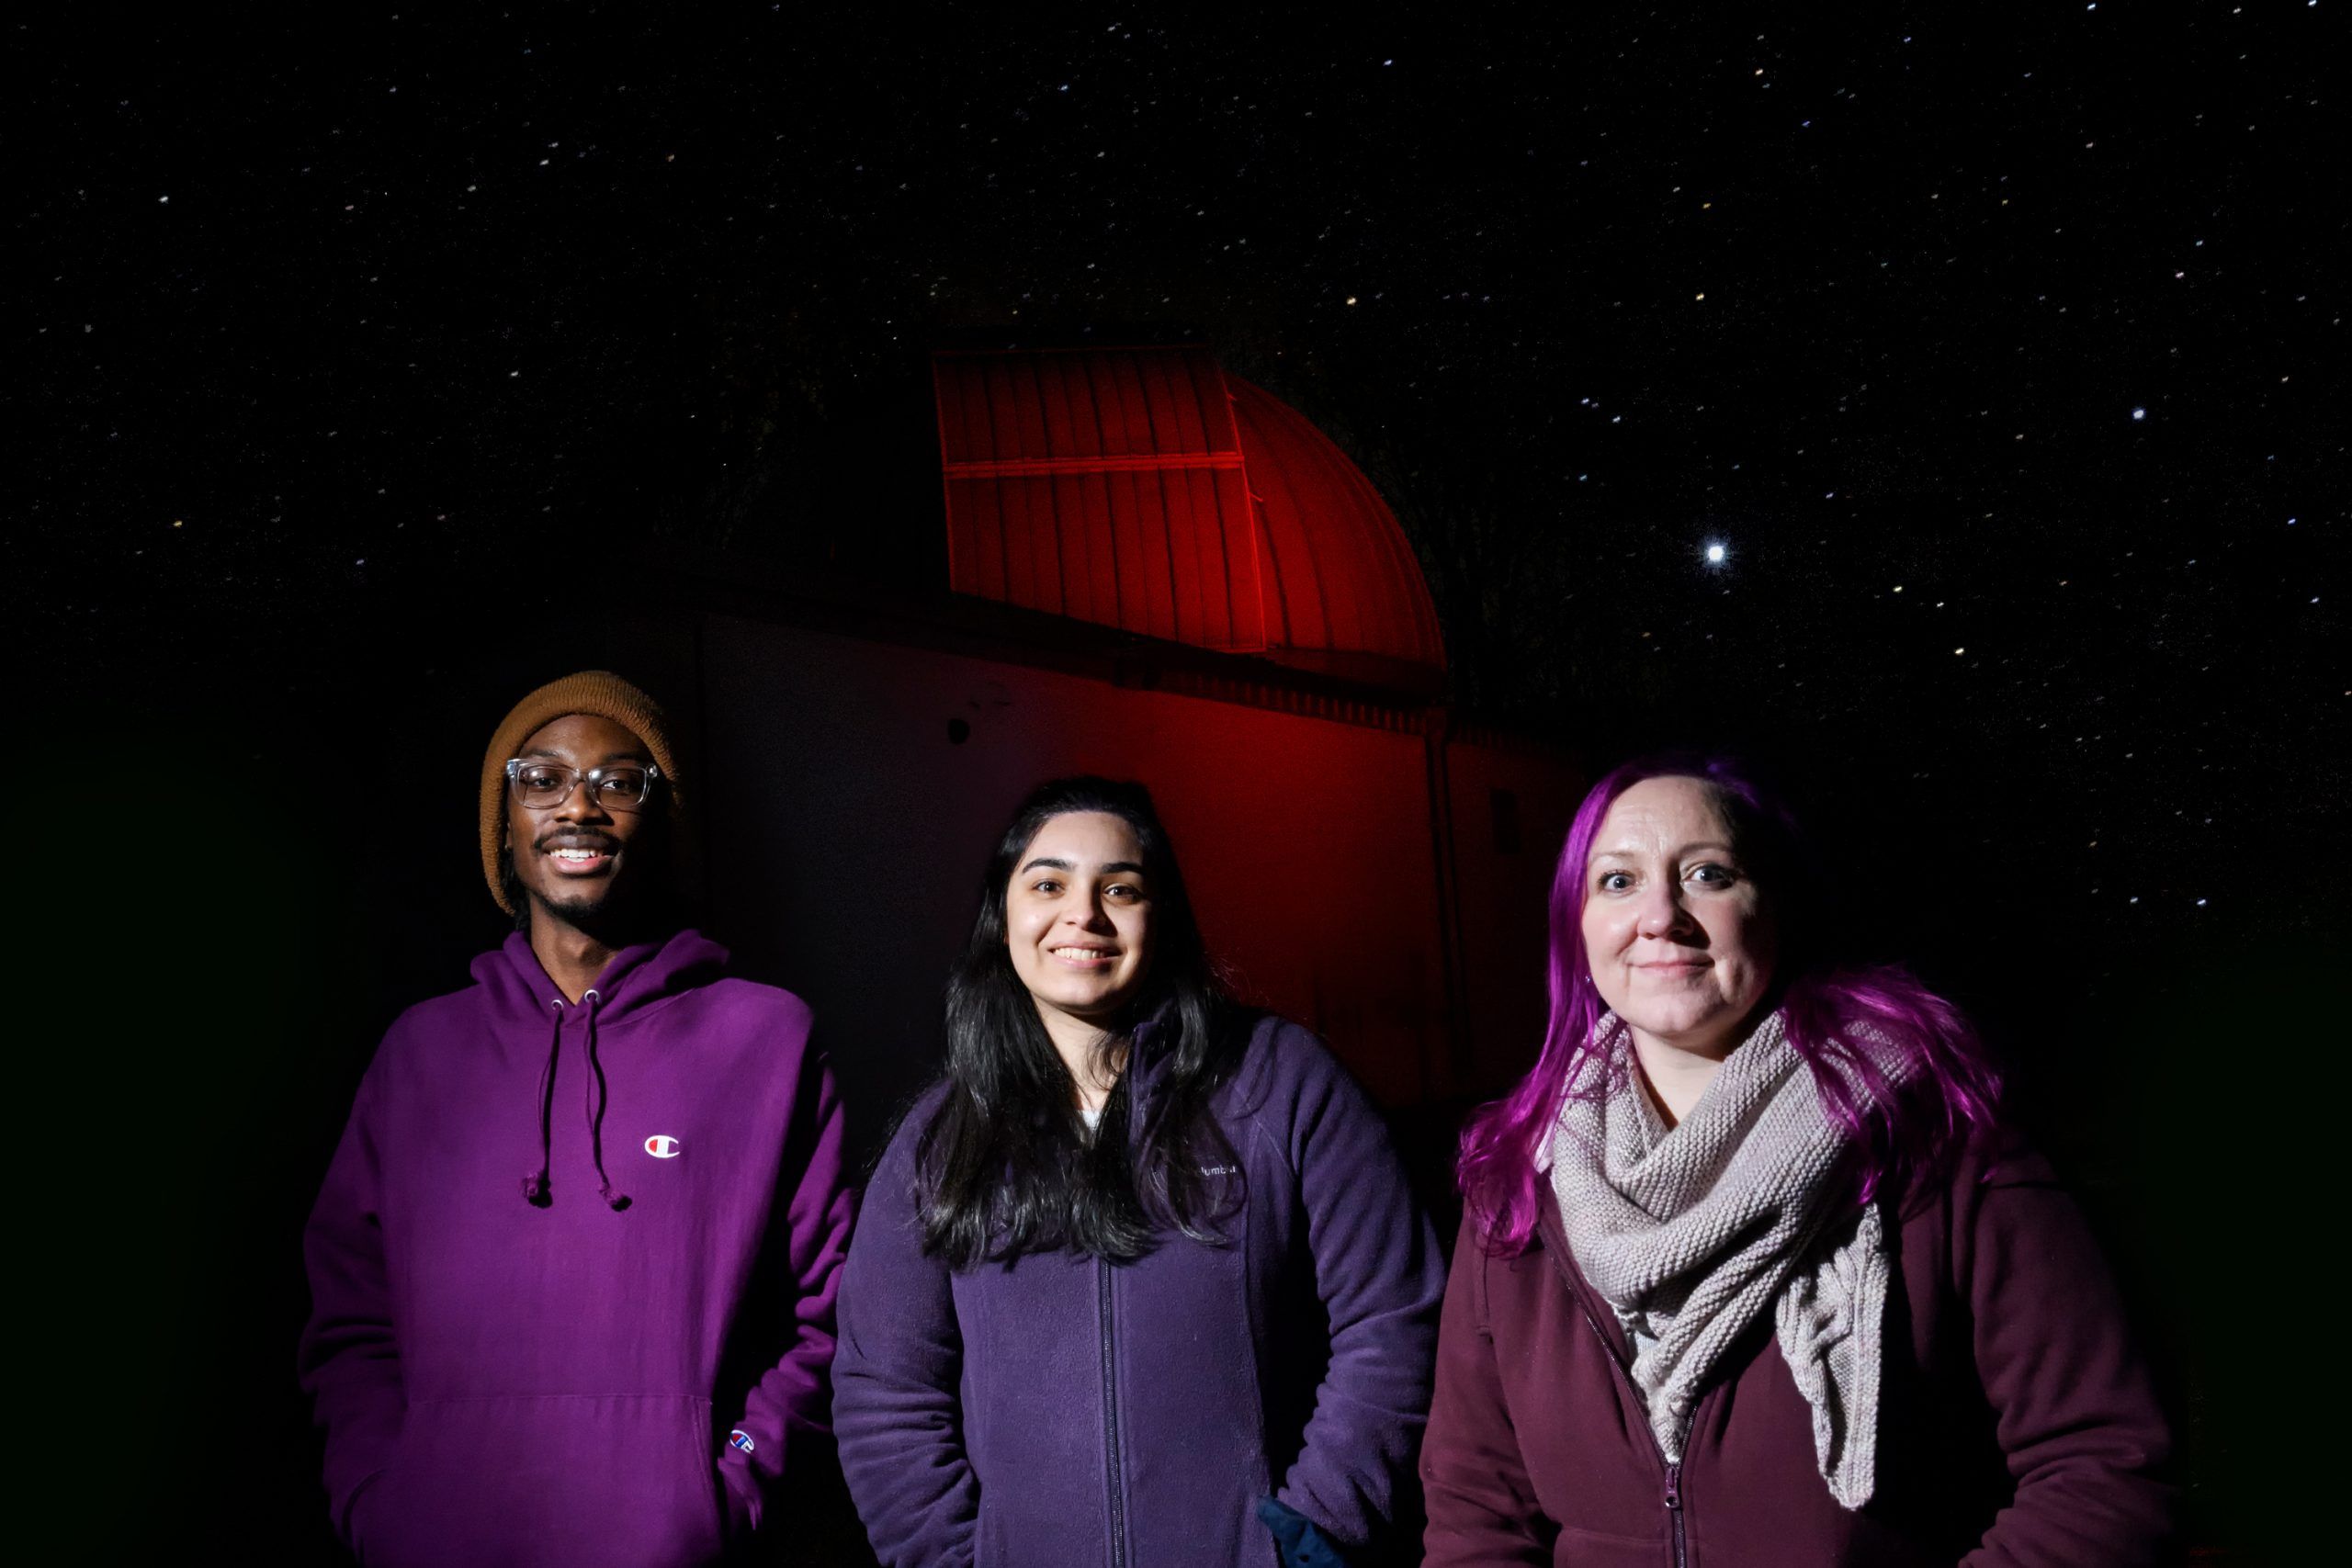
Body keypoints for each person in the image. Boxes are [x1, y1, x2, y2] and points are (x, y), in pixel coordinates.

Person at [1421, 754, 2174, 1566]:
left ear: (1775, 905)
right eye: (1617, 881)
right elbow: (1476, 1509)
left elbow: (2105, 1470)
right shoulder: (1517, 1184)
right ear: (1576, 923)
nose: (1660, 914)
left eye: (1708, 874)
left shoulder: (1933, 1139)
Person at [298, 671, 854, 1568]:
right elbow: (347, 1315)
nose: (579, 808)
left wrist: (728, 1488)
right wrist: (380, 1497)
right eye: (541, 779)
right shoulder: (419, 1052)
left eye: (619, 782)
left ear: (660, 821)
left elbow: (826, 1318)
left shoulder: (765, 1038)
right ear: (504, 829)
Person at [833, 776, 1443, 1567]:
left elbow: (1393, 1320)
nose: (1082, 914)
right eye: (1048, 882)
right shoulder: (942, 1139)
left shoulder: (1279, 1082)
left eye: (1119, 887)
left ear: (1163, 918)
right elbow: (885, 1389)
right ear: (1004, 914)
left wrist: (1310, 1535)